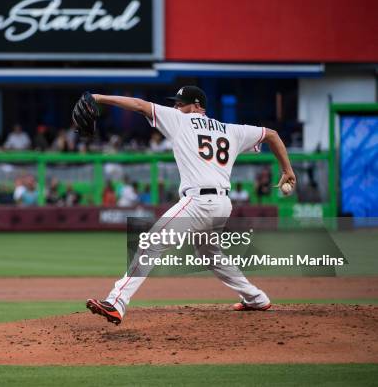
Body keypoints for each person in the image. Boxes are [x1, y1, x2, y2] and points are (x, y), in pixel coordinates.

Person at [85, 85, 296, 325]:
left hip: (198, 202)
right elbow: (272, 134)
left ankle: (116, 302)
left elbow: (139, 105)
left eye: (180, 103)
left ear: (197, 106)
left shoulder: (180, 121)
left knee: (150, 243)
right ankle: (256, 298)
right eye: (175, 103)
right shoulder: (231, 130)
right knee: (210, 255)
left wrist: (98, 97)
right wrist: (287, 170)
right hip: (222, 204)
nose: (176, 107)